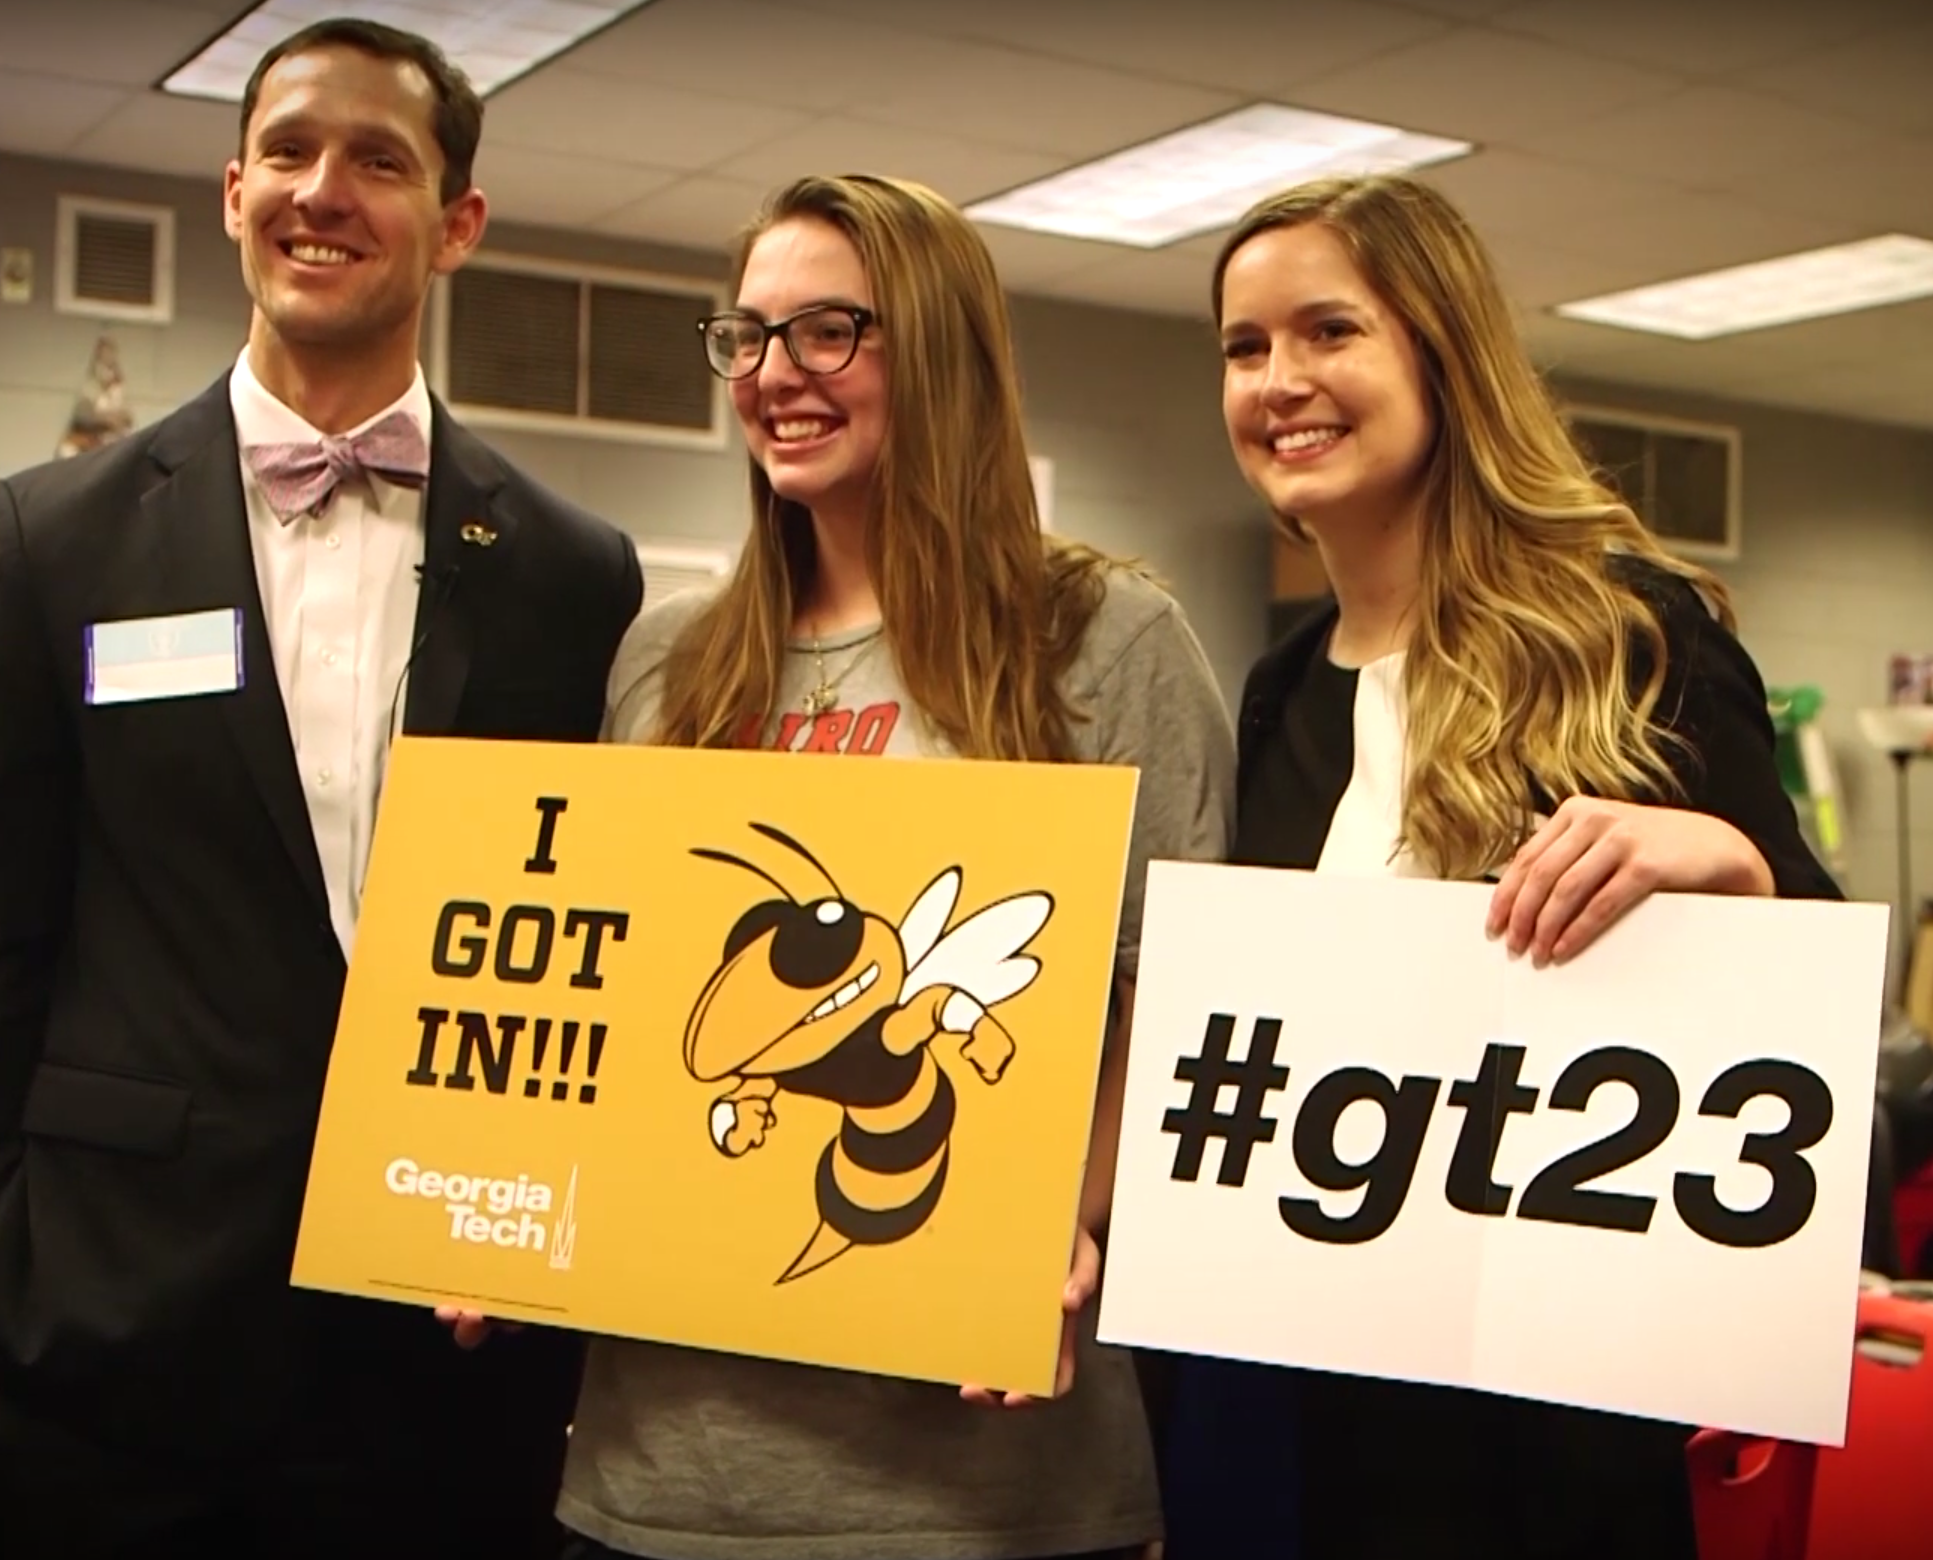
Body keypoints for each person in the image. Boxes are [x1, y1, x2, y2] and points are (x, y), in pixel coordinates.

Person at [0, 18, 640, 1556]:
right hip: (109, 1338)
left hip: (446, 1344)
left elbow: (591, 937)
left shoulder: (576, 573)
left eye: (380, 160)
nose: (326, 189)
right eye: (293, 151)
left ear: (457, 227)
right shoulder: (58, 537)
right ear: (233, 187)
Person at [533, 172, 1233, 1560]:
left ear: (942, 349)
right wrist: (500, 1204)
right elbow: (613, 1002)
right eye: (748, 336)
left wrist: (1061, 1226)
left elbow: (1172, 1006)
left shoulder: (1104, 638)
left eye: (826, 333)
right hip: (669, 1474)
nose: (774, 375)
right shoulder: (668, 657)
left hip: (987, 1478)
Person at [1199, 172, 1844, 1559]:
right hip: (1320, 1388)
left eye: (1329, 332)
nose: (1278, 381)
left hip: (1564, 1419)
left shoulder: (1629, 631)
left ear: (1442, 351)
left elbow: (1821, 993)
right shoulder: (1280, 696)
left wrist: (1724, 857)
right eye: (1245, 349)